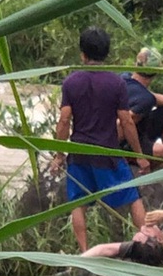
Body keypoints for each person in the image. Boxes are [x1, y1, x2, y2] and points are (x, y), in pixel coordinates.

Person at [50, 26, 149, 252]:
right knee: (133, 196)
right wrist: (140, 157)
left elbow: (64, 120)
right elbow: (126, 122)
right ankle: (145, 244)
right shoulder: (116, 84)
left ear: (82, 54)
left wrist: (59, 154)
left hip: (79, 154)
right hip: (108, 154)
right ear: (107, 53)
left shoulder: (71, 83)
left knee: (78, 203)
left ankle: (85, 253)